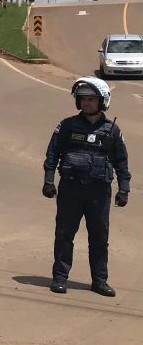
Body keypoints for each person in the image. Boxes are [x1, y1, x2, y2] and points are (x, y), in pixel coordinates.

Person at [43, 76, 130, 296]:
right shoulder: (67, 125)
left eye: (91, 99)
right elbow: (52, 154)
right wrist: (48, 181)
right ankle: (60, 278)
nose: (87, 103)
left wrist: (124, 189)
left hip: (99, 192)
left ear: (102, 101)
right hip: (70, 189)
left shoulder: (112, 130)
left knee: (99, 237)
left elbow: (121, 161)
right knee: (64, 234)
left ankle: (99, 281)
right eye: (83, 99)